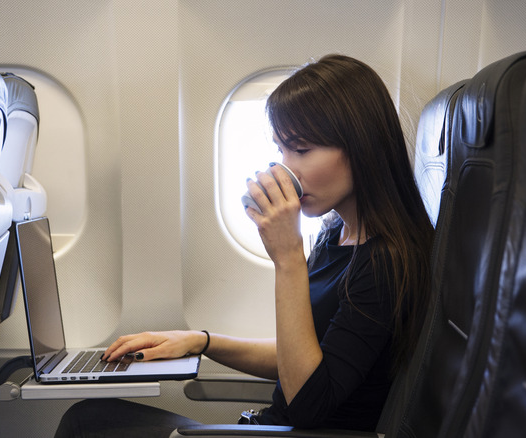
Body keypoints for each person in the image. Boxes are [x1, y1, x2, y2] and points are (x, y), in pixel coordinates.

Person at [55, 54, 434, 437]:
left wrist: (287, 257)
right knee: (90, 415)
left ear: (361, 148)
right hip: (273, 428)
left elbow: (310, 403)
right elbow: (301, 358)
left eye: (301, 150)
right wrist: (200, 341)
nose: (286, 169)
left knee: (84, 425)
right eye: (282, 150)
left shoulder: (387, 262)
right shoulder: (337, 234)